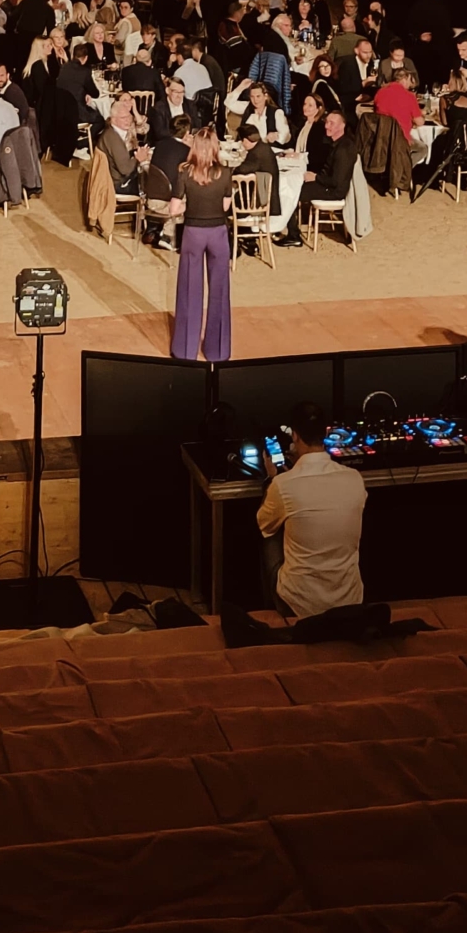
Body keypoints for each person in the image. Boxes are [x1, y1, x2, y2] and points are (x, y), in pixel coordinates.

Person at [255, 407, 368, 617]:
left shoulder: (283, 485)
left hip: (299, 602)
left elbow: (264, 523)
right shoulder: (354, 478)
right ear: (325, 433)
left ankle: (273, 614)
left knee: (269, 531)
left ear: (295, 436)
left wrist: (271, 480)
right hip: (350, 600)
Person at [170, 127, 233, 362]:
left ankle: (186, 350)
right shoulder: (225, 173)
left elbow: (174, 209)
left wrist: (191, 206)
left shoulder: (184, 172)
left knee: (189, 289)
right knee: (220, 292)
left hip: (193, 234)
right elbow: (225, 206)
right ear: (216, 147)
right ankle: (218, 351)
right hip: (218, 234)